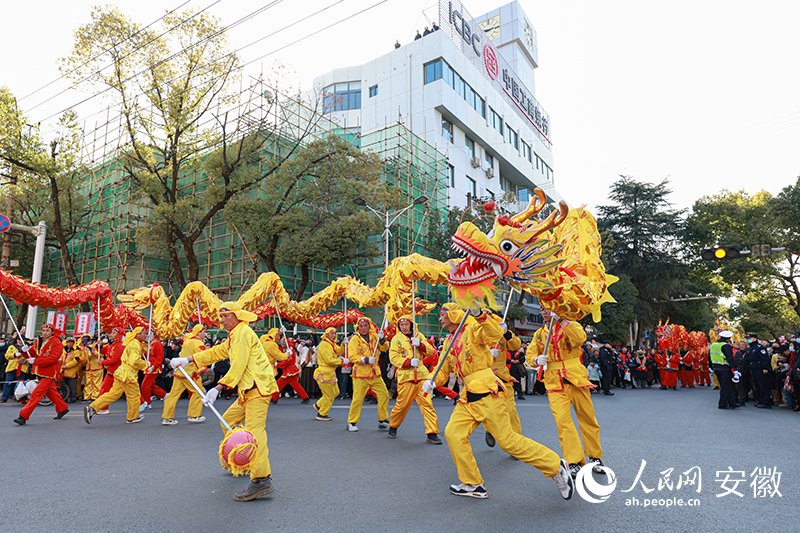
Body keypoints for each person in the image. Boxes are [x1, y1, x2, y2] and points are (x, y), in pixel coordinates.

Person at [426, 304, 573, 500]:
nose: (440, 318)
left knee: (509, 442)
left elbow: (495, 335)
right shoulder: (447, 343)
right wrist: (431, 381)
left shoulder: (472, 329)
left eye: (443, 314)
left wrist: (480, 315)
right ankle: (473, 483)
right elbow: (443, 370)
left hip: (487, 392)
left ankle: (556, 465)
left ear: (453, 314)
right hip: (468, 396)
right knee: (453, 433)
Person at [170, 301, 279, 502]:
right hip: (248, 390)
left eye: (226, 316)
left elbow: (238, 365)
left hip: (258, 389)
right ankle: (245, 458)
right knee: (227, 419)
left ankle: (262, 479)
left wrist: (218, 388)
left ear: (237, 316)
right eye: (221, 316)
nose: (222, 320)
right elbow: (217, 352)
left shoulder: (243, 333)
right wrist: (189, 359)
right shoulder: (235, 334)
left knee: (255, 434)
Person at [527, 308, 605, 479]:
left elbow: (579, 339)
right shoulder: (540, 334)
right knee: (563, 422)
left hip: (576, 378)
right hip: (554, 382)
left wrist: (562, 320)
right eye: (541, 309)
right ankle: (574, 461)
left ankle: (595, 457)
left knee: (587, 418)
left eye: (547, 308)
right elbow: (530, 354)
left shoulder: (571, 325)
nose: (544, 312)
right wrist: (535, 360)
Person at [387, 315, 441, 444]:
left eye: (406, 324)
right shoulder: (396, 339)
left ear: (411, 324)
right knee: (402, 405)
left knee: (427, 404)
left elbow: (430, 351)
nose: (404, 327)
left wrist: (420, 344)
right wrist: (408, 362)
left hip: (421, 375)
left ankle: (432, 432)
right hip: (406, 376)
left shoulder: (419, 335)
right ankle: (393, 425)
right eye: (401, 325)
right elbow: (393, 357)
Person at [85, 327, 149, 424]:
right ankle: (132, 417)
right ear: (137, 334)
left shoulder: (131, 343)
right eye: (144, 333)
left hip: (120, 373)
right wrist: (146, 364)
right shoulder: (134, 344)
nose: (146, 335)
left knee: (113, 394)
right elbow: (134, 360)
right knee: (134, 396)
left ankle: (93, 408)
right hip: (128, 375)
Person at [14, 324, 70, 425]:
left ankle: (23, 416)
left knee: (36, 394)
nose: (44, 332)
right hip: (39, 372)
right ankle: (63, 408)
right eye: (43, 330)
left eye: (47, 331)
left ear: (52, 332)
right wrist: (23, 350)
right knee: (51, 393)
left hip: (49, 373)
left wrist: (35, 361)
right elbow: (30, 354)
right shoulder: (38, 341)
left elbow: (53, 359)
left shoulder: (57, 343)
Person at [346, 317, 390, 432]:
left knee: (384, 395)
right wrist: (365, 359)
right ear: (358, 328)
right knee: (358, 399)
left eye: (365, 325)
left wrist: (382, 339)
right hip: (361, 374)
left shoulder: (374, 336)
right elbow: (351, 356)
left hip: (375, 373)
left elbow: (385, 348)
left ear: (368, 326)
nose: (363, 328)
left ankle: (383, 420)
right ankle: (352, 421)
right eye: (361, 326)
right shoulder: (354, 340)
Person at [485, 316, 522, 447]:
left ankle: (517, 443)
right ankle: (489, 429)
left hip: (502, 376)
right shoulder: (476, 331)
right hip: (483, 376)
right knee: (489, 409)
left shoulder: (502, 333)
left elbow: (515, 346)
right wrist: (486, 354)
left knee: (510, 410)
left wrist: (506, 333)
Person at [162, 325, 208, 425]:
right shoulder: (198, 343)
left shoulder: (188, 340)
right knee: (198, 393)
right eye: (203, 332)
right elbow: (203, 357)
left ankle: (167, 417)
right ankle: (194, 415)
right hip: (190, 373)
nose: (205, 334)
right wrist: (203, 369)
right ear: (198, 332)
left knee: (173, 395)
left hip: (180, 371)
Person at [313, 327, 344, 421]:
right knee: (329, 395)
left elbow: (339, 351)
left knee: (336, 392)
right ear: (326, 335)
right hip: (324, 373)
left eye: (335, 333)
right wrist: (342, 361)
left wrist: (343, 345)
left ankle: (319, 405)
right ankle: (322, 414)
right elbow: (329, 360)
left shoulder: (332, 344)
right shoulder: (324, 345)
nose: (334, 335)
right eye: (332, 333)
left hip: (330, 373)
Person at [272, 337, 310, 404]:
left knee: (278, 384)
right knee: (296, 385)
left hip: (289, 371)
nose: (281, 345)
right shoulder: (289, 349)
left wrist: (277, 364)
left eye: (283, 343)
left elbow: (286, 362)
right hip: (292, 370)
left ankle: (274, 399)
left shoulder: (289, 351)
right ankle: (305, 397)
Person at [710, 330, 737, 409]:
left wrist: (711, 367)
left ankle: (732, 403)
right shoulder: (726, 346)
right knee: (725, 386)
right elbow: (730, 358)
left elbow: (709, 356)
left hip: (716, 368)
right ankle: (722, 404)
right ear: (728, 339)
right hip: (725, 368)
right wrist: (735, 368)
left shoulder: (713, 345)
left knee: (725, 385)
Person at [744, 334, 772, 409]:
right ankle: (759, 400)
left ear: (755, 339)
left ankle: (765, 402)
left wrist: (765, 368)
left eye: (750, 338)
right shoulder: (750, 348)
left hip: (760, 368)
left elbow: (764, 358)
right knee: (756, 385)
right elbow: (747, 359)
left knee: (762, 385)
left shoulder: (760, 347)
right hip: (753, 368)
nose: (748, 340)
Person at [139, 334, 167, 411]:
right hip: (148, 367)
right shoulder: (148, 344)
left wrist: (153, 366)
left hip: (153, 368)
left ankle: (147, 403)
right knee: (150, 385)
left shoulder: (157, 343)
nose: (147, 335)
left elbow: (160, 357)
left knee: (145, 385)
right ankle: (164, 395)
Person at [1, 337, 27, 403]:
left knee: (19, 384)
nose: (20, 341)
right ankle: (4, 397)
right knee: (8, 383)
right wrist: (14, 354)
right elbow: (7, 355)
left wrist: (25, 360)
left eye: (22, 340)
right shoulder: (12, 347)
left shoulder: (27, 348)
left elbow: (30, 356)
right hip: (12, 367)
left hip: (22, 368)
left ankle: (17, 397)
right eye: (19, 339)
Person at [60, 337, 81, 403]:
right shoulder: (63, 350)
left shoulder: (76, 351)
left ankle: (73, 398)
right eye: (68, 342)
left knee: (73, 387)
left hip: (72, 372)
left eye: (71, 342)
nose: (70, 343)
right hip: (63, 372)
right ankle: (65, 397)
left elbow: (75, 362)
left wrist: (66, 366)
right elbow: (61, 358)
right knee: (64, 386)